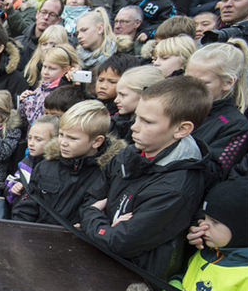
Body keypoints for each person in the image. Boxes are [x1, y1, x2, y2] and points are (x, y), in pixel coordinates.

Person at [81, 76, 212, 280]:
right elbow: (89, 199)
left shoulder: (177, 187)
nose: (134, 126)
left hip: (134, 277)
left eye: (147, 122)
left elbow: (119, 242)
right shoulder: (128, 154)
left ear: (181, 129)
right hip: (100, 260)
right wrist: (103, 224)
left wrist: (94, 219)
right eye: (137, 117)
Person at [12, 99, 124, 225]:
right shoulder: (45, 166)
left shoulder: (108, 174)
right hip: (39, 237)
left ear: (97, 141)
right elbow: (26, 208)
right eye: (61, 134)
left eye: (72, 138)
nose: (63, 142)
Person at [185, 41, 248, 185]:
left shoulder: (235, 124)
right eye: (188, 79)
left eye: (203, 83)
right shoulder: (179, 104)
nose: (191, 87)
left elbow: (215, 173)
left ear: (228, 83)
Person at [18, 44, 79, 130]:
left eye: (52, 68)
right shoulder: (40, 89)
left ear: (66, 69)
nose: (46, 72)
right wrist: (26, 100)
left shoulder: (68, 92)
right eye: (44, 66)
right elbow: (23, 121)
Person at [5, 115, 59, 205]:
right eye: (30, 138)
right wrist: (13, 187)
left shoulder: (57, 166)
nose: (31, 143)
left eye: (38, 139)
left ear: (53, 141)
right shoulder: (25, 163)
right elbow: (12, 181)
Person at [111, 65, 166, 141]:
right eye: (117, 94)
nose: (116, 100)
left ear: (144, 95)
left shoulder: (147, 132)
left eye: (122, 95)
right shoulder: (117, 120)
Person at [16, 0, 63, 68]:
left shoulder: (60, 47)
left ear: (58, 20)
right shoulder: (18, 42)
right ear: (37, 14)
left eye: (52, 14)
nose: (46, 17)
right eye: (44, 12)